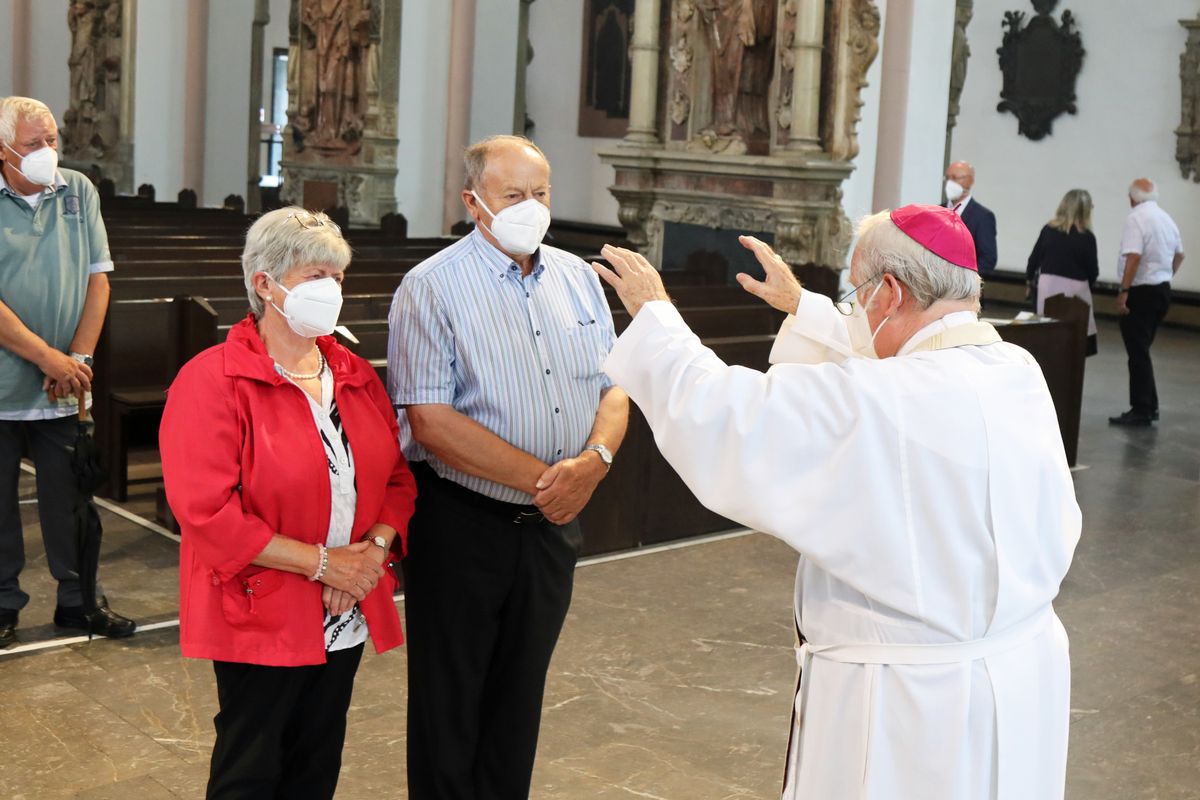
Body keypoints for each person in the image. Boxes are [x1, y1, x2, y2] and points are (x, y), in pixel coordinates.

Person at [593, 204, 1080, 800]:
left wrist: (656, 318)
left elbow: (727, 414)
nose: (855, 305)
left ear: (892, 290)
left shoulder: (883, 399)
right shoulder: (1016, 369)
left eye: (858, 290)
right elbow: (893, 370)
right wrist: (805, 307)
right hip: (1021, 673)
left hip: (906, 703)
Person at [388, 134, 629, 799]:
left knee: (519, 698)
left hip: (552, 528)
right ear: (474, 201)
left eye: (542, 193)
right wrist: (551, 481)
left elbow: (615, 385)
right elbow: (431, 422)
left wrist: (594, 461)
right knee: (450, 702)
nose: (533, 207)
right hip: (464, 523)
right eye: (514, 195)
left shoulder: (578, 277)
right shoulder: (432, 287)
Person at [159, 207, 416, 799]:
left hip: (346, 602)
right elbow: (206, 512)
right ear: (264, 284)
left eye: (338, 276)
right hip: (262, 604)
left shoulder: (352, 372)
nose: (330, 289)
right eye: (313, 275)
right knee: (252, 765)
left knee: (317, 757)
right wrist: (326, 564)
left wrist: (371, 555)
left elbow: (396, 478)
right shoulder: (214, 379)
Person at [0, 95, 135, 646]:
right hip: (8, 381)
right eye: (34, 144)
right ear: (4, 150)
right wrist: (45, 357)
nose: (47, 151)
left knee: (74, 499)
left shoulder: (78, 190)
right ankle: (3, 604)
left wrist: (76, 359)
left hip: (65, 385)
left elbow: (97, 278)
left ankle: (79, 601)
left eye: (52, 140)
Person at [1109, 178, 1184, 427]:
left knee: (1137, 352)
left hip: (1141, 292)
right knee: (1142, 350)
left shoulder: (1136, 218)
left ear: (1132, 198)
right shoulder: (1166, 218)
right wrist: (1165, 275)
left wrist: (1124, 290)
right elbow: (1180, 254)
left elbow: (1134, 256)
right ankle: (1150, 406)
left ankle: (1142, 409)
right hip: (1162, 290)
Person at [1025, 188, 1100, 355]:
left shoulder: (1048, 230)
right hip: (1077, 293)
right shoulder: (1087, 237)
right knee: (1075, 338)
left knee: (1048, 333)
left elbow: (1034, 260)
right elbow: (1093, 271)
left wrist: (1029, 280)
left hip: (1048, 288)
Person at [945, 160, 997, 271]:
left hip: (965, 284)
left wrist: (964, 280)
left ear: (970, 181)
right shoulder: (937, 210)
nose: (949, 182)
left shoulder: (983, 216)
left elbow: (988, 259)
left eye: (955, 178)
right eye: (947, 177)